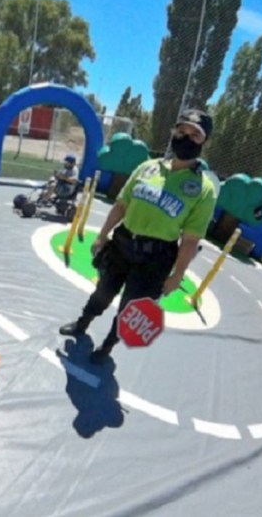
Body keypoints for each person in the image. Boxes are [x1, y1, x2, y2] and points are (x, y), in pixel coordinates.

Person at [59, 109, 217, 362]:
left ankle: (107, 346)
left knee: (130, 308)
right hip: (122, 243)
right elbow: (121, 205)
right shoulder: (148, 168)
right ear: (174, 133)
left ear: (204, 141)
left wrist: (177, 275)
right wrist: (102, 236)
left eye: (194, 135)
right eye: (181, 131)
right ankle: (82, 324)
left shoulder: (203, 189)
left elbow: (190, 239)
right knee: (103, 291)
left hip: (155, 258)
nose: (185, 138)